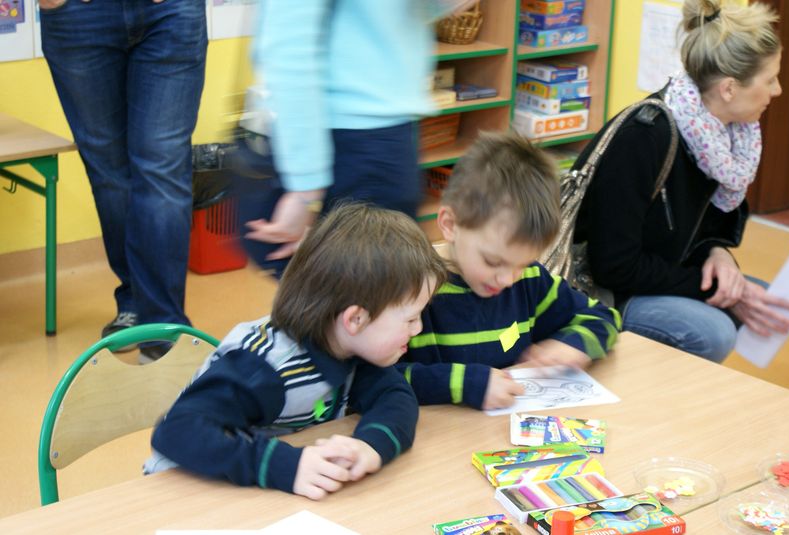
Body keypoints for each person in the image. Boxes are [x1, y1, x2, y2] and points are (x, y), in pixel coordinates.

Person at [145, 203, 448, 500]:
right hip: (184, 491)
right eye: (411, 319)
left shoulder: (351, 347)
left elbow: (395, 396)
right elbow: (177, 431)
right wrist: (287, 466)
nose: (418, 328)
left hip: (254, 492)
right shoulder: (264, 367)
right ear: (355, 319)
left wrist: (370, 446)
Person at [573, 0, 789, 363]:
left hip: (660, 269)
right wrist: (711, 288)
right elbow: (613, 266)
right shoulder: (643, 137)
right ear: (729, 88)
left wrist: (718, 254)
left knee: (769, 303)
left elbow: (703, 227)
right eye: (770, 79)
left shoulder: (728, 138)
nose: (778, 91)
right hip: (602, 289)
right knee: (714, 332)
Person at [234, 0, 469, 276]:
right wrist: (305, 190)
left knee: (379, 287)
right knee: (364, 288)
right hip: (347, 142)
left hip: (384, 135)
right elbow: (290, 45)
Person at [397, 132, 621, 411]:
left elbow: (603, 317)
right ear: (450, 225)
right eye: (493, 261)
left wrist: (573, 346)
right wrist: (466, 384)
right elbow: (375, 379)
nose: (507, 279)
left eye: (522, 264)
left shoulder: (530, 281)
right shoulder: (410, 290)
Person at [39, 0, 208, 361]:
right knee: (110, 175)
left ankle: (162, 331)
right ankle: (136, 298)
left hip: (171, 12)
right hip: (78, 15)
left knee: (161, 170)